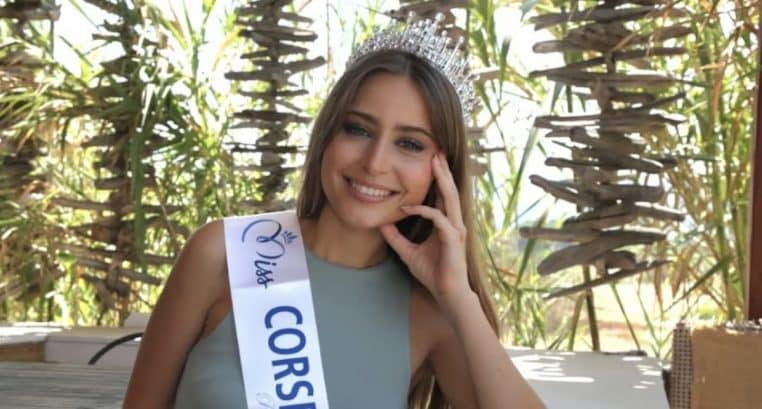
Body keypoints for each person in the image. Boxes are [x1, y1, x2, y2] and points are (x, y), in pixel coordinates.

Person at [123, 13, 544, 409]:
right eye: (358, 129)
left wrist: (459, 297)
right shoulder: (226, 253)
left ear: (441, 171)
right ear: (328, 134)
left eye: (409, 143)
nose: (375, 162)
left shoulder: (430, 313)